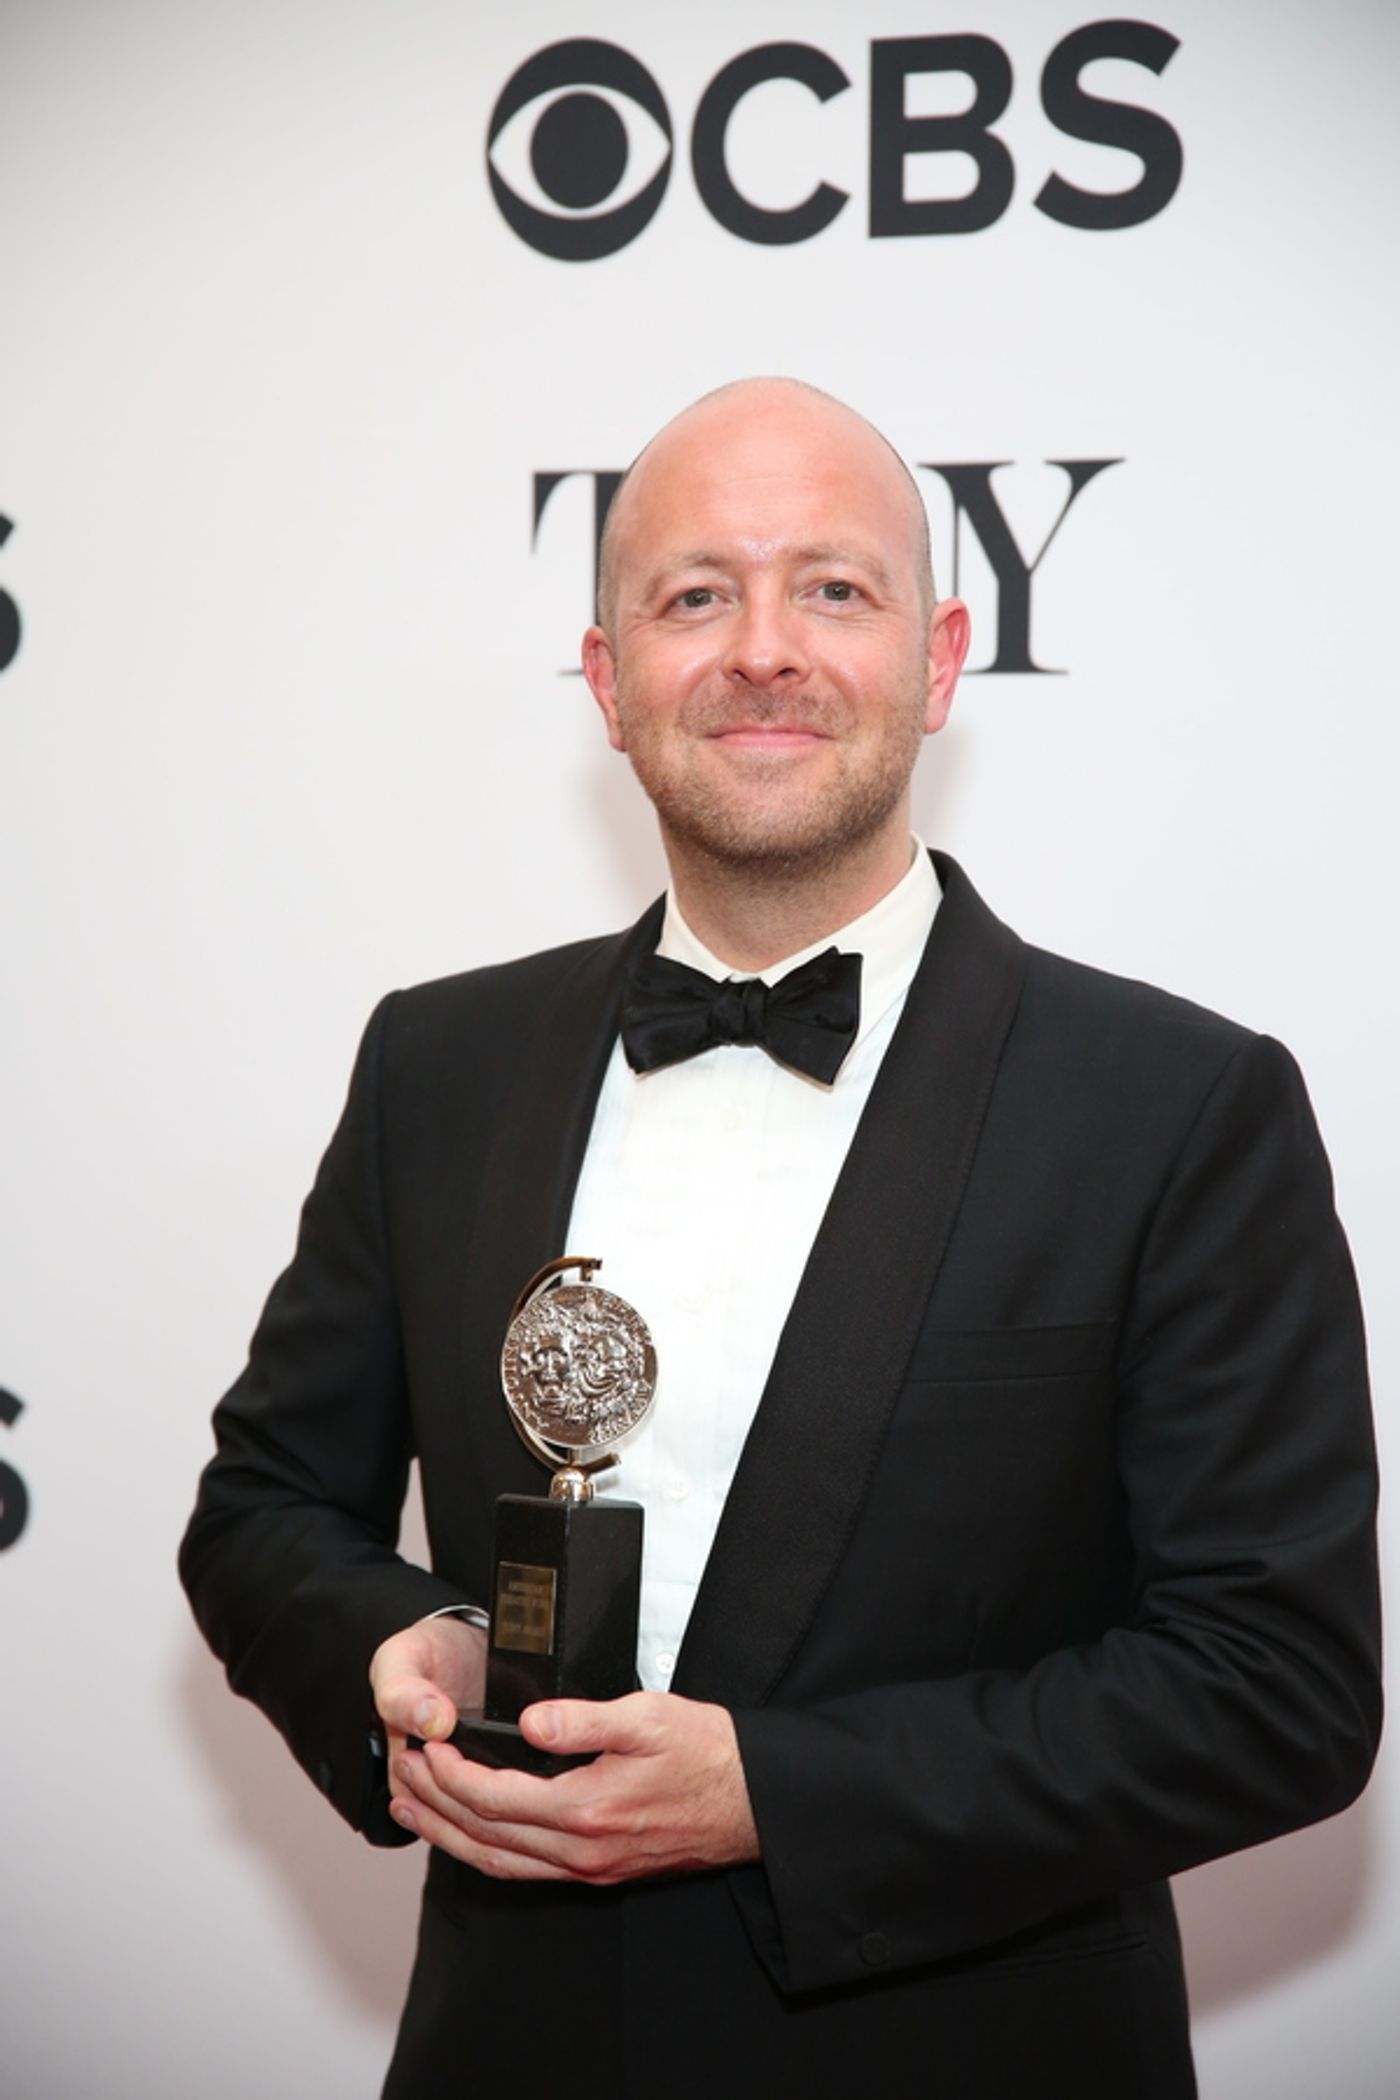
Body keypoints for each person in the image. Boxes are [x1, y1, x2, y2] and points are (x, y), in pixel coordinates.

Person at [181, 378, 1381, 2099]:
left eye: (834, 588)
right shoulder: (435, 1063)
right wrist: (391, 1653)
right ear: (608, 685)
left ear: (943, 657)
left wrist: (774, 1793)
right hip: (509, 2049)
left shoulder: (1181, 1107)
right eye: (692, 595)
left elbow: (1278, 1686)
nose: (762, 650)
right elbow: (265, 1511)